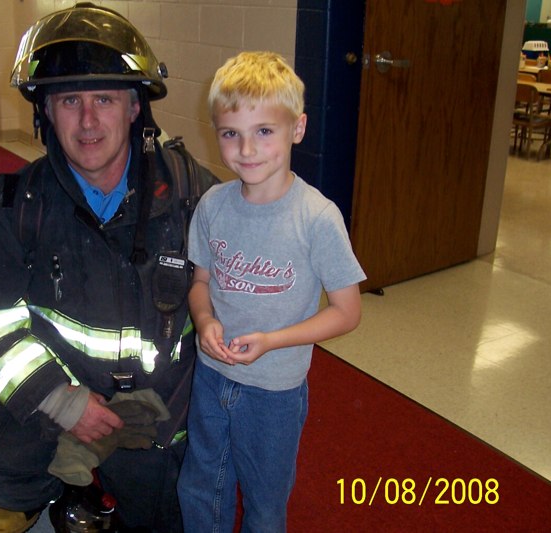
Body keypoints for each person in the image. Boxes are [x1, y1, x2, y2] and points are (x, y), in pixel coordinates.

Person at [0, 4, 217, 533]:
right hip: (59, 394)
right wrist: (61, 401)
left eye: (104, 99)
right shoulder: (19, 205)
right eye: (69, 101)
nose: (88, 121)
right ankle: (56, 487)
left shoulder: (190, 193)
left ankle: (114, 482)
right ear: (45, 112)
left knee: (167, 512)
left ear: (135, 108)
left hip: (156, 413)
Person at [177, 51, 367, 532]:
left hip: (276, 390)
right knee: (200, 485)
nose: (246, 149)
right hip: (212, 377)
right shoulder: (213, 205)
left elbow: (346, 312)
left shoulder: (317, 218)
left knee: (264, 503)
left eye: (264, 131)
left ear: (297, 129)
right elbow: (200, 282)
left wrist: (272, 340)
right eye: (230, 133)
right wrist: (205, 321)